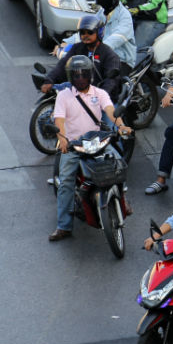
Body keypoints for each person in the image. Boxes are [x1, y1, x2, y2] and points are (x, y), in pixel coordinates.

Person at [48, 56, 132, 242]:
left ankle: (124, 200)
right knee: (66, 182)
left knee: (119, 163)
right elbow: (59, 120)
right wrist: (62, 139)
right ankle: (63, 226)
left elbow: (111, 111)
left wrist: (122, 126)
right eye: (75, 76)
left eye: (83, 75)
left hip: (97, 141)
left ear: (90, 75)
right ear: (71, 77)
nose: (80, 79)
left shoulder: (100, 93)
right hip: (74, 146)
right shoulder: (63, 96)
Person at [43, 12, 124, 103]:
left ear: (99, 32)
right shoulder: (77, 48)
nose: (85, 35)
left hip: (102, 99)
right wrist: (49, 79)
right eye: (82, 32)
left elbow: (111, 82)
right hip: (80, 93)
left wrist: (100, 98)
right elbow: (63, 64)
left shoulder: (109, 54)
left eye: (90, 32)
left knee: (109, 117)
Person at [54, 0, 135, 69]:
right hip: (101, 56)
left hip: (121, 60)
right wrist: (66, 42)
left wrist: (96, 49)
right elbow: (88, 31)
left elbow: (116, 39)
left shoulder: (124, 16)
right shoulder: (102, 13)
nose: (98, 1)